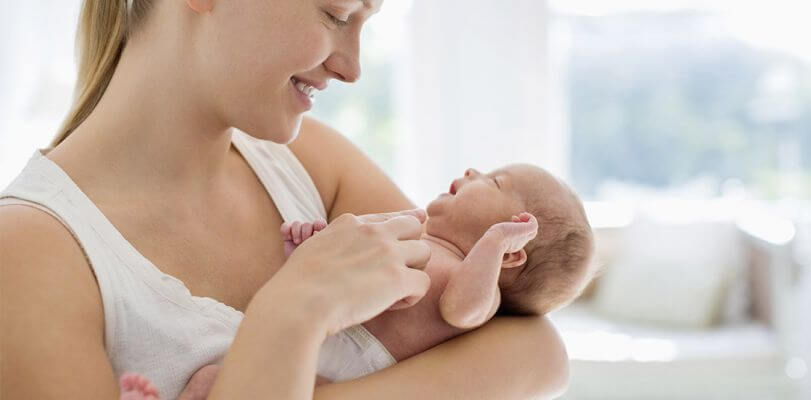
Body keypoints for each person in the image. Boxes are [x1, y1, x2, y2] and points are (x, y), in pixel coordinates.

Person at [0, 0, 569, 399]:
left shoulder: (310, 163)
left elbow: (536, 351)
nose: (352, 68)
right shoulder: (27, 252)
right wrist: (292, 314)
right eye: (337, 15)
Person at [120, 164, 596, 398]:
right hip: (327, 332)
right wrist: (312, 246)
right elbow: (345, 256)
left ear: (513, 250)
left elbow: (460, 310)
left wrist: (491, 244)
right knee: (210, 379)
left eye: (492, 182)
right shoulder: (417, 227)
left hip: (355, 366)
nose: (472, 171)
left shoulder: (478, 287)